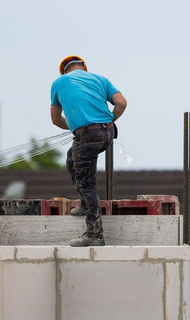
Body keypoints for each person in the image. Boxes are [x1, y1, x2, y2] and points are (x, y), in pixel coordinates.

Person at [50, 55, 127, 247]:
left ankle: (94, 233)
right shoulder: (101, 79)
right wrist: (108, 121)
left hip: (87, 136)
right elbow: (122, 103)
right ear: (83, 67)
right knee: (72, 158)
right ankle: (85, 205)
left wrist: (76, 125)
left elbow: (55, 119)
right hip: (107, 133)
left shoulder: (59, 83)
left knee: (87, 183)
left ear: (64, 71)